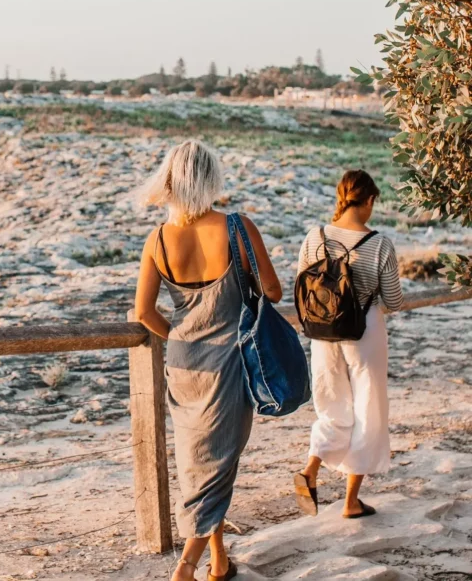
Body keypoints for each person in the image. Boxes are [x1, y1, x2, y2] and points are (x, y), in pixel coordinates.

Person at [134, 140, 282, 581]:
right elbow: (272, 291)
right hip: (228, 362)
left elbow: (144, 312)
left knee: (199, 461)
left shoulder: (158, 238)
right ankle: (185, 568)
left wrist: (180, 335)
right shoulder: (237, 228)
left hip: (183, 363)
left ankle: (219, 561)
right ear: (211, 177)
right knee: (218, 465)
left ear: (171, 181)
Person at [294, 170, 403, 518]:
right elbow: (394, 301)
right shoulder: (380, 243)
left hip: (323, 333)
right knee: (367, 410)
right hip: (364, 331)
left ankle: (310, 469)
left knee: (332, 405)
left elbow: (301, 281)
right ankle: (350, 501)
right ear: (369, 200)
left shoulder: (316, 236)